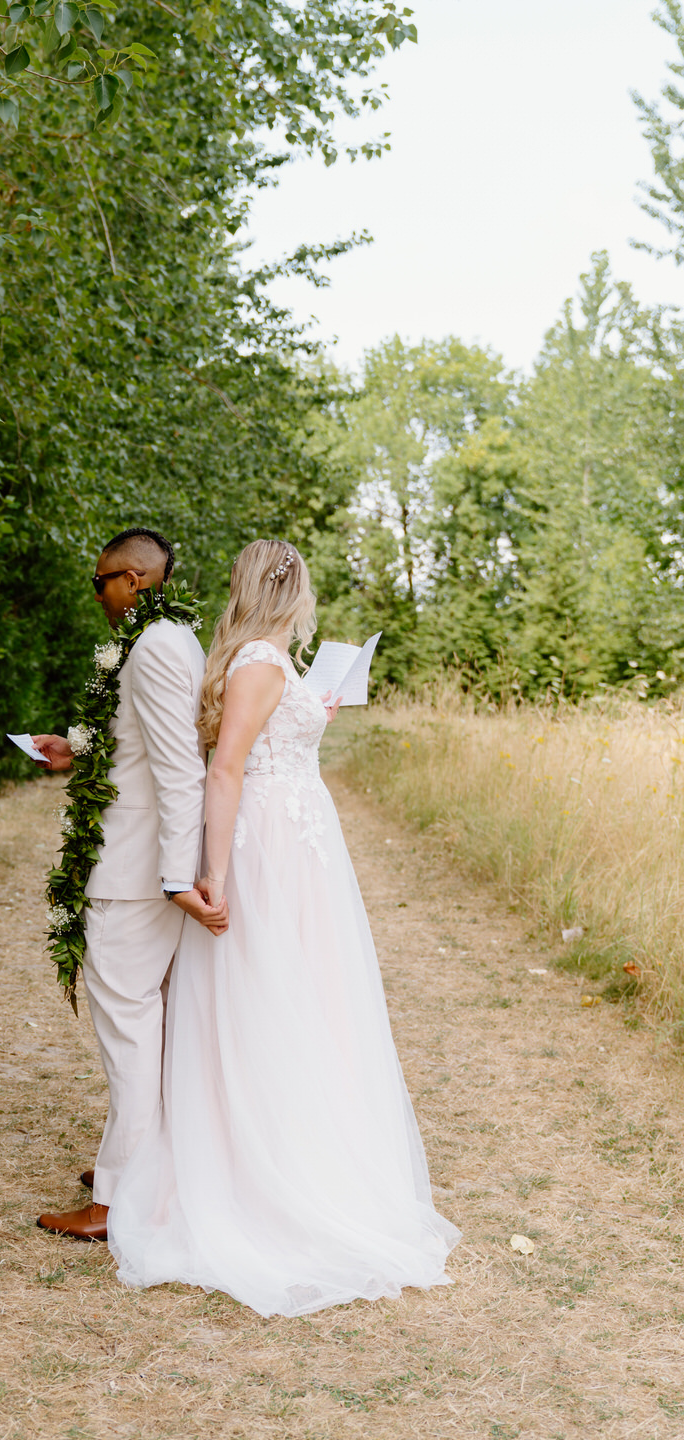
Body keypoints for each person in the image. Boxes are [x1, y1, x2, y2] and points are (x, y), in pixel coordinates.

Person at [107, 539, 461, 1316]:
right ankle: (252, 1173)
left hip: (299, 843)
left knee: (300, 993)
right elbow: (228, 767)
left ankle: (301, 1147)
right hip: (266, 847)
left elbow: (270, 738)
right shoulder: (262, 660)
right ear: (290, 592)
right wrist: (217, 873)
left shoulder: (270, 662)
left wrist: (315, 707)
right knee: (263, 990)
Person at [32, 527, 226, 1241]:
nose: (97, 594)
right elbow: (141, 749)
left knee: (130, 1029)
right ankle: (138, 1156)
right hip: (147, 866)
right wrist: (74, 749)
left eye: (101, 580)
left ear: (135, 581)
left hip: (140, 874)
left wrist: (179, 875)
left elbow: (183, 769)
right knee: (148, 1024)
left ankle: (118, 1201)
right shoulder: (165, 642)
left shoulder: (151, 649)